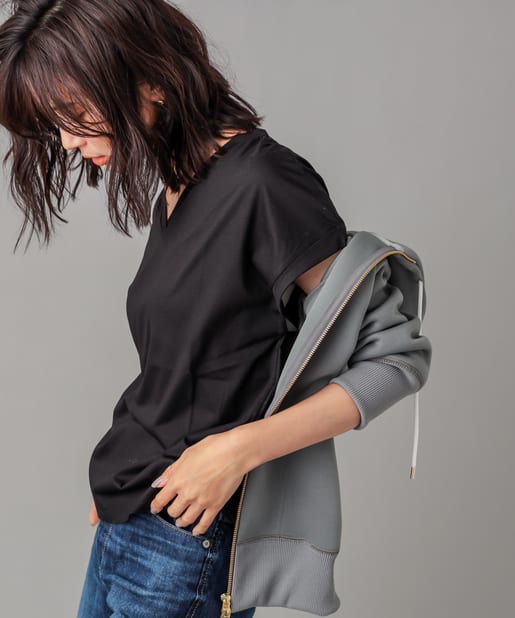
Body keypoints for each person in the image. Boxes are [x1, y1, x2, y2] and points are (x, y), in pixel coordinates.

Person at [0, 1, 365, 616]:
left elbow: (393, 359)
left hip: (186, 540)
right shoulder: (180, 185)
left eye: (77, 114)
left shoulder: (265, 184)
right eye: (55, 123)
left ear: (151, 79)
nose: (67, 141)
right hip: (129, 515)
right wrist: (126, 472)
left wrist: (236, 452)